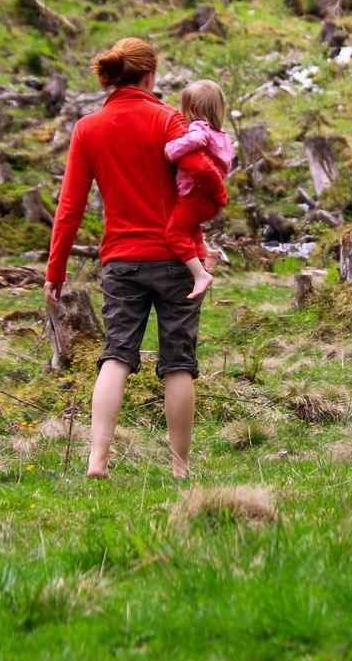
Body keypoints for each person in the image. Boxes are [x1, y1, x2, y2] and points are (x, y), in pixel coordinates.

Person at [44, 38, 228, 479]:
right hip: (175, 258)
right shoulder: (170, 120)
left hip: (121, 261)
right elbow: (203, 177)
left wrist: (56, 272)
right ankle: (180, 469)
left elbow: (69, 209)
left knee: (116, 356)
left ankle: (97, 460)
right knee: (178, 361)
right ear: (150, 76)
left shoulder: (88, 128)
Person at [164, 80, 234, 300]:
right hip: (207, 200)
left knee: (175, 233)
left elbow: (195, 139)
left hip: (195, 194)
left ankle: (199, 274)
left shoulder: (199, 127)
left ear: (193, 109)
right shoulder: (222, 135)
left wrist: (170, 149)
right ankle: (206, 253)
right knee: (190, 228)